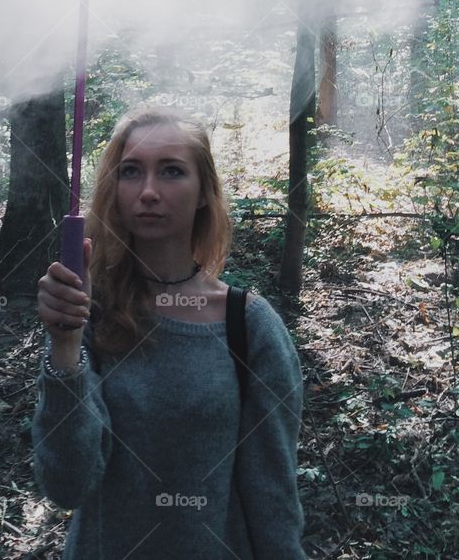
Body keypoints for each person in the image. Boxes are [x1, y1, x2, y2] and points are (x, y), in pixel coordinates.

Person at [33, 107, 306, 559]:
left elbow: (272, 490)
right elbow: (68, 484)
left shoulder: (249, 325)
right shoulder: (86, 311)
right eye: (131, 172)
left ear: (203, 193)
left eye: (172, 171)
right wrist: (64, 347)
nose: (149, 192)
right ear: (114, 189)